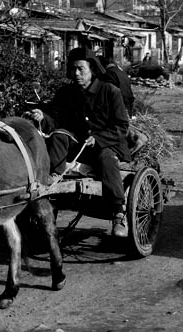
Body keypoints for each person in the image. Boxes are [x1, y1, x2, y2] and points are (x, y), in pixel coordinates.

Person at [27, 47, 131, 237]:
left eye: (81, 69)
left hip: (106, 145)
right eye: (73, 69)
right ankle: (54, 179)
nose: (76, 73)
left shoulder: (110, 91)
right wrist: (43, 117)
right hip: (78, 146)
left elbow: (122, 126)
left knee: (107, 158)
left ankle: (118, 213)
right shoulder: (66, 93)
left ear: (91, 69)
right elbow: (55, 119)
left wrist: (98, 138)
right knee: (59, 135)